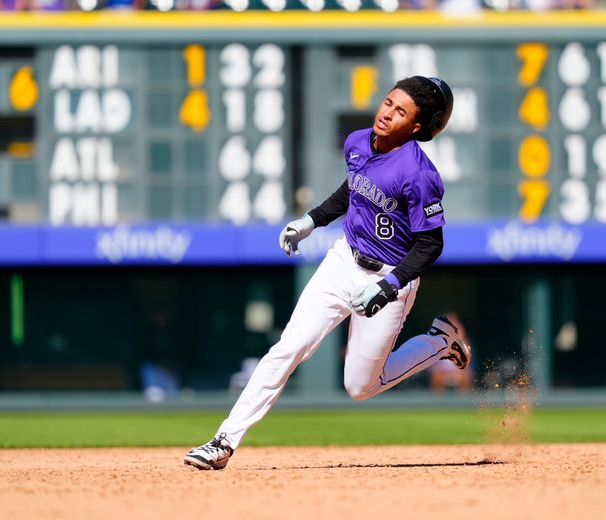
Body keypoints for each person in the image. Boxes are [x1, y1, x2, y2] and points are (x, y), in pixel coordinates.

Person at [184, 75, 472, 471]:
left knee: (359, 386)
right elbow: (354, 188)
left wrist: (388, 287)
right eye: (389, 102)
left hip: (389, 275)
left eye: (401, 111)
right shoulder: (358, 141)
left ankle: (440, 342)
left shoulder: (419, 174)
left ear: (417, 127)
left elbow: (430, 244)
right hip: (342, 260)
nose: (387, 113)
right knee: (289, 347)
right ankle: (223, 441)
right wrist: (311, 220)